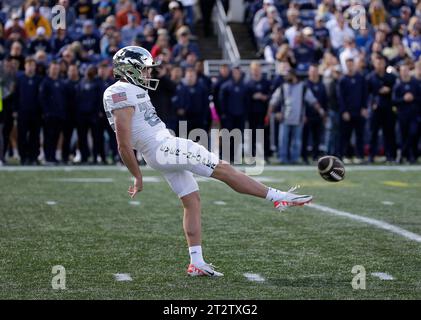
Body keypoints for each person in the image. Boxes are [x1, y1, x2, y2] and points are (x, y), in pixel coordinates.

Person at [103, 46, 312, 277]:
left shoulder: (129, 89)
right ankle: (277, 197)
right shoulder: (119, 92)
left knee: (192, 200)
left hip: (160, 150)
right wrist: (137, 176)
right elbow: (122, 143)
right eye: (144, 69)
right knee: (222, 168)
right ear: (129, 69)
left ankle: (197, 262)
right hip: (163, 148)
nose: (148, 74)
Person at [366, 55, 397, 163]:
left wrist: (389, 90)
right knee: (373, 133)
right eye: (377, 63)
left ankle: (390, 156)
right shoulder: (370, 77)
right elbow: (367, 94)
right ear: (374, 64)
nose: (379, 65)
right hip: (375, 110)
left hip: (388, 109)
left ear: (385, 64)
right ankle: (371, 156)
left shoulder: (391, 77)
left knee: (389, 133)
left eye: (381, 63)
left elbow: (396, 92)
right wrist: (372, 103)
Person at [337, 58, 368, 163]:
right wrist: (344, 111)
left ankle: (359, 156)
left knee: (360, 135)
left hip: (359, 111)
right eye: (348, 65)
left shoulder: (360, 78)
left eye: (351, 64)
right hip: (347, 113)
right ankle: (346, 156)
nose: (350, 66)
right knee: (345, 136)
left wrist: (364, 107)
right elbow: (340, 97)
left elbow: (365, 94)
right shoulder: (343, 80)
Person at [15, 57, 42, 165]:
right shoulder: (20, 79)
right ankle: (23, 157)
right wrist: (15, 110)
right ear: (25, 66)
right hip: (23, 112)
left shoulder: (39, 79)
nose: (30, 67)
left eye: (32, 65)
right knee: (22, 135)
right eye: (28, 65)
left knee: (35, 136)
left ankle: (33, 157)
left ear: (35, 67)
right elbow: (16, 95)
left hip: (36, 112)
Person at [39, 61, 66, 164]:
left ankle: (53, 156)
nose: (55, 70)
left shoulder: (60, 82)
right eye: (53, 68)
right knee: (48, 136)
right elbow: (42, 99)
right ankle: (47, 157)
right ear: (49, 69)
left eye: (56, 68)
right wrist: (46, 112)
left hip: (59, 115)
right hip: (49, 115)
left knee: (56, 136)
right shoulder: (45, 82)